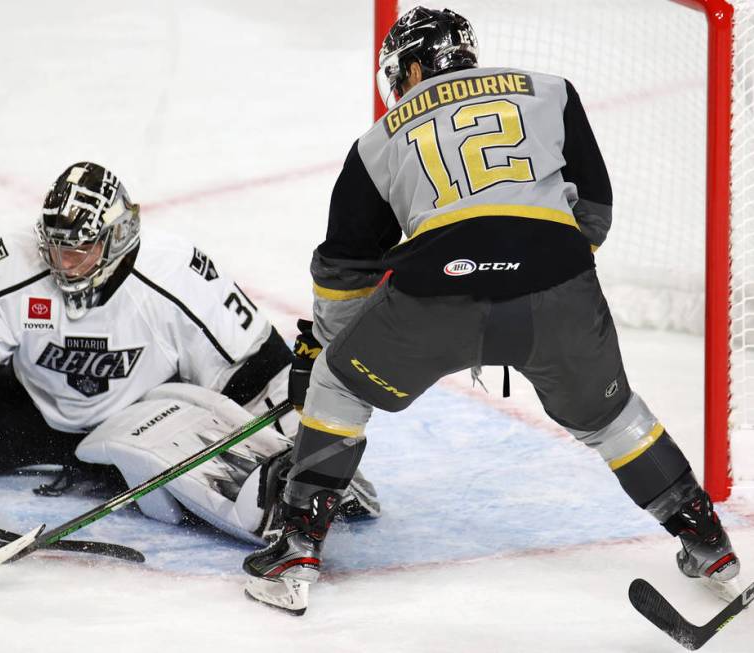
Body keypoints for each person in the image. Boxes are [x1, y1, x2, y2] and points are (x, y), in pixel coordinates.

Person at [242, 7, 741, 614]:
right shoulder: (551, 91)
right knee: (613, 419)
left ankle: (296, 549)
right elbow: (596, 212)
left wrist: (334, 352)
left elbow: (344, 270)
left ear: (416, 67)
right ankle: (710, 545)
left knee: (338, 390)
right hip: (557, 289)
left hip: (435, 302)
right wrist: (537, 271)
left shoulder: (377, 140)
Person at [0, 161, 378, 544]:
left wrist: (315, 456)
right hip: (36, 411)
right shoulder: (12, 262)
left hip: (142, 416)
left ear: (116, 237)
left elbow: (257, 371)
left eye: (81, 250)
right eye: (57, 248)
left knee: (200, 498)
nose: (65, 264)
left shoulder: (178, 273)